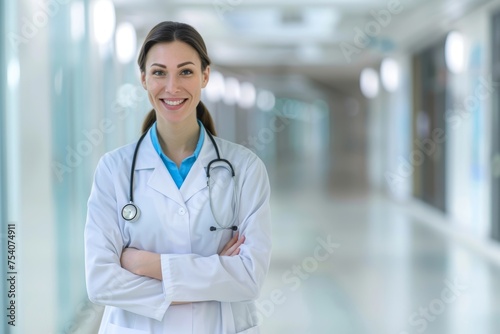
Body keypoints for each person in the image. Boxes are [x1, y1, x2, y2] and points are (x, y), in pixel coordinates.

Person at [84, 21, 272, 333]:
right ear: (144, 79)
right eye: (159, 72)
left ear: (205, 76)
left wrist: (145, 264)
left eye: (185, 71)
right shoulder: (113, 170)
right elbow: (101, 282)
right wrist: (212, 277)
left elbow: (249, 277)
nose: (172, 87)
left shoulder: (245, 168)